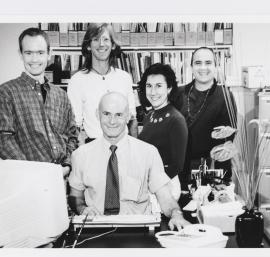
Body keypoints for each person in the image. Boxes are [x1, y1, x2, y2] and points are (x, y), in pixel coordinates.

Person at [68, 92, 190, 231]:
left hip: (138, 230)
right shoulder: (81, 155)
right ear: (97, 114)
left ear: (128, 117)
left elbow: (165, 197)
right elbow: (75, 196)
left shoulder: (148, 153)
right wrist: (83, 209)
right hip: (95, 228)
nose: (112, 121)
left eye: (119, 115)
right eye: (106, 114)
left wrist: (177, 215)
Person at [0, 27, 78, 177]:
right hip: (26, 181)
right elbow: (3, 139)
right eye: (29, 53)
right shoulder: (5, 93)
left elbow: (72, 136)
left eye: (40, 53)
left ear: (49, 53)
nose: (35, 59)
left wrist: (67, 166)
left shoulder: (61, 95)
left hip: (61, 181)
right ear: (21, 54)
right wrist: (34, 173)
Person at [173, 46, 237, 190]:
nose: (203, 67)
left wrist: (221, 182)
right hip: (181, 173)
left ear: (215, 66)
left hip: (214, 173)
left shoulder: (225, 96)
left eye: (208, 63)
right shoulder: (178, 94)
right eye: (198, 63)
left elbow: (227, 141)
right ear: (191, 67)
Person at [67, 23, 138, 143]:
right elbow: (75, 127)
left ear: (113, 45)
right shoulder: (77, 80)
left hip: (124, 146)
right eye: (95, 39)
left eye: (105, 39)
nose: (101, 44)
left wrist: (134, 153)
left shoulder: (124, 78)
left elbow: (132, 120)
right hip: (94, 147)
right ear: (88, 46)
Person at [138, 63, 188, 197]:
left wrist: (149, 185)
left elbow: (177, 166)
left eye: (159, 86)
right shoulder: (149, 116)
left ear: (169, 88)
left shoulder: (176, 119)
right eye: (149, 86)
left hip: (165, 187)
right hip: (146, 183)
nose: (153, 92)